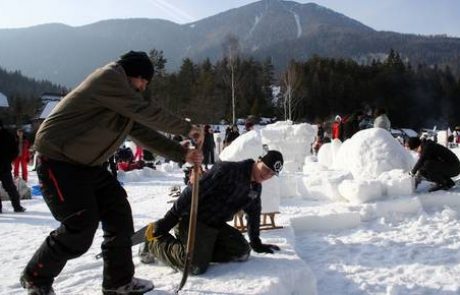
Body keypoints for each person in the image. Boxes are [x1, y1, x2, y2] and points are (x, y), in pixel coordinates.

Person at [20, 51, 203, 295]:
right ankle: (36, 276)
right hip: (58, 160)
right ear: (133, 74)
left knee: (119, 214)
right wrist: (187, 128)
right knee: (80, 225)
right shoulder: (108, 78)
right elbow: (146, 112)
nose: (143, 87)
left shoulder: (124, 100)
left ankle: (118, 282)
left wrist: (183, 154)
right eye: (143, 81)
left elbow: (144, 133)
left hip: (89, 166)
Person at [138, 150, 284, 274]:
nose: (266, 175)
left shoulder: (255, 188)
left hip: (215, 226)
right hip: (193, 220)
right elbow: (192, 192)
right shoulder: (228, 170)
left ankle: (201, 251)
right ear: (258, 161)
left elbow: (254, 215)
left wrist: (256, 242)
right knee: (195, 266)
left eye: (272, 174)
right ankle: (153, 244)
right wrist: (168, 221)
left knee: (242, 252)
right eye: (265, 169)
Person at [0, 120, 26, 213]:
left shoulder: (7, 136)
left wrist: (8, 160)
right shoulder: (8, 135)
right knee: (10, 188)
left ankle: (17, 206)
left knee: (10, 187)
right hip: (5, 165)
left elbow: (14, 150)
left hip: (4, 166)